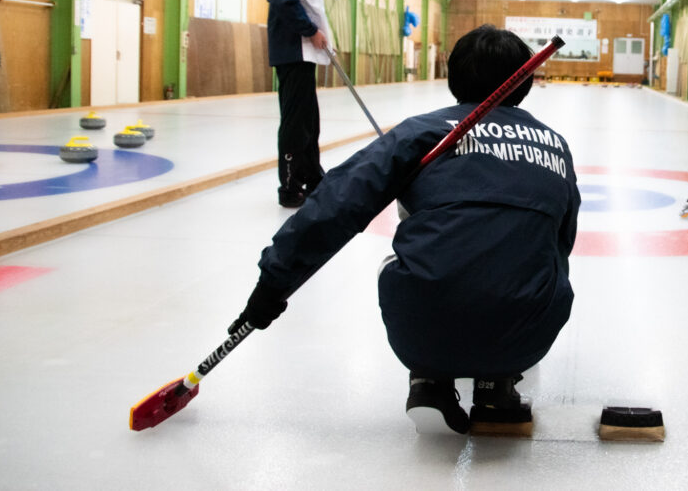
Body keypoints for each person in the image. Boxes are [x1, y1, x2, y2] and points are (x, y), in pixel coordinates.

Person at [229, 25, 581, 436]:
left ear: (454, 79)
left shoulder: (421, 133)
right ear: (524, 84)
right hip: (527, 333)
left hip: (422, 329)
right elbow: (562, 242)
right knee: (536, 247)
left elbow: (335, 204)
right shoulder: (555, 145)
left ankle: (428, 381)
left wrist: (274, 282)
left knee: (408, 242)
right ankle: (497, 383)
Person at [267, 0, 341, 208]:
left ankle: (313, 178)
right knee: (297, 123)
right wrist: (311, 31)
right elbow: (283, 1)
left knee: (309, 121)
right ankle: (290, 186)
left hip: (301, 54)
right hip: (293, 53)